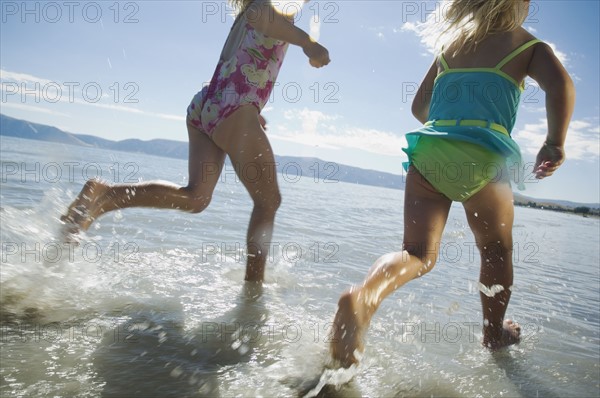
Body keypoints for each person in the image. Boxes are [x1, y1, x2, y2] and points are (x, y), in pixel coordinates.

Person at [330, 0, 575, 367]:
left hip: (430, 152)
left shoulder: (451, 47)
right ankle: (494, 332)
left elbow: (419, 107)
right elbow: (561, 85)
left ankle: (365, 296)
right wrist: (554, 142)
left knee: (416, 253)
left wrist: (451, 118)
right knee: (495, 250)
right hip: (485, 156)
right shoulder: (529, 46)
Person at [60, 0, 330, 282]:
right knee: (268, 202)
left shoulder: (253, 15)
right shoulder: (262, 9)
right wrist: (310, 44)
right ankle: (253, 295)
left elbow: (243, 64)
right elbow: (270, 23)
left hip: (209, 106)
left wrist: (249, 111)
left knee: (196, 197)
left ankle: (104, 194)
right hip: (232, 109)